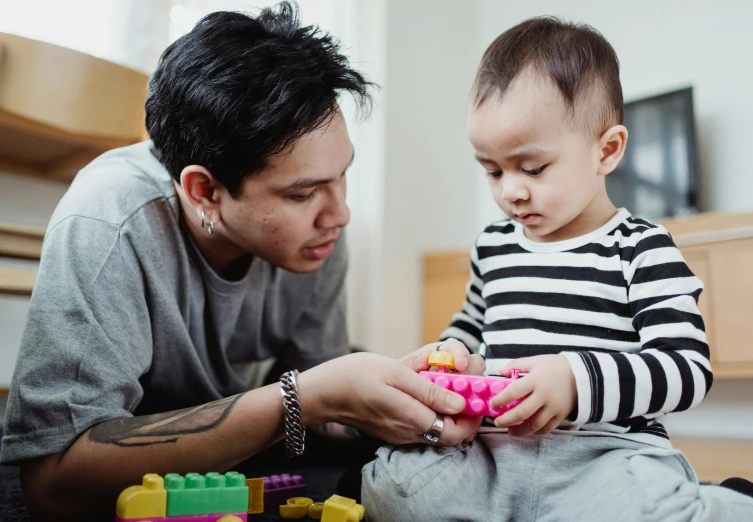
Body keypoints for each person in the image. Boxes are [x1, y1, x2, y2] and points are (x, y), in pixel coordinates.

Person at [0, 4, 483, 520]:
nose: (339, 214)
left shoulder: (319, 234)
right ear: (204, 190)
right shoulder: (109, 225)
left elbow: (322, 409)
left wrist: (389, 399)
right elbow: (51, 484)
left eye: (341, 175)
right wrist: (305, 397)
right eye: (303, 194)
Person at [362, 17, 753, 522]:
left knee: (652, 510)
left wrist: (577, 381)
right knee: (394, 491)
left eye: (532, 168)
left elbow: (686, 368)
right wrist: (452, 353)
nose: (510, 191)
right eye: (492, 170)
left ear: (606, 150)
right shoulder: (495, 245)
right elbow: (471, 326)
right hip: (493, 453)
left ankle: (746, 504)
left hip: (605, 455)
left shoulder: (642, 248)